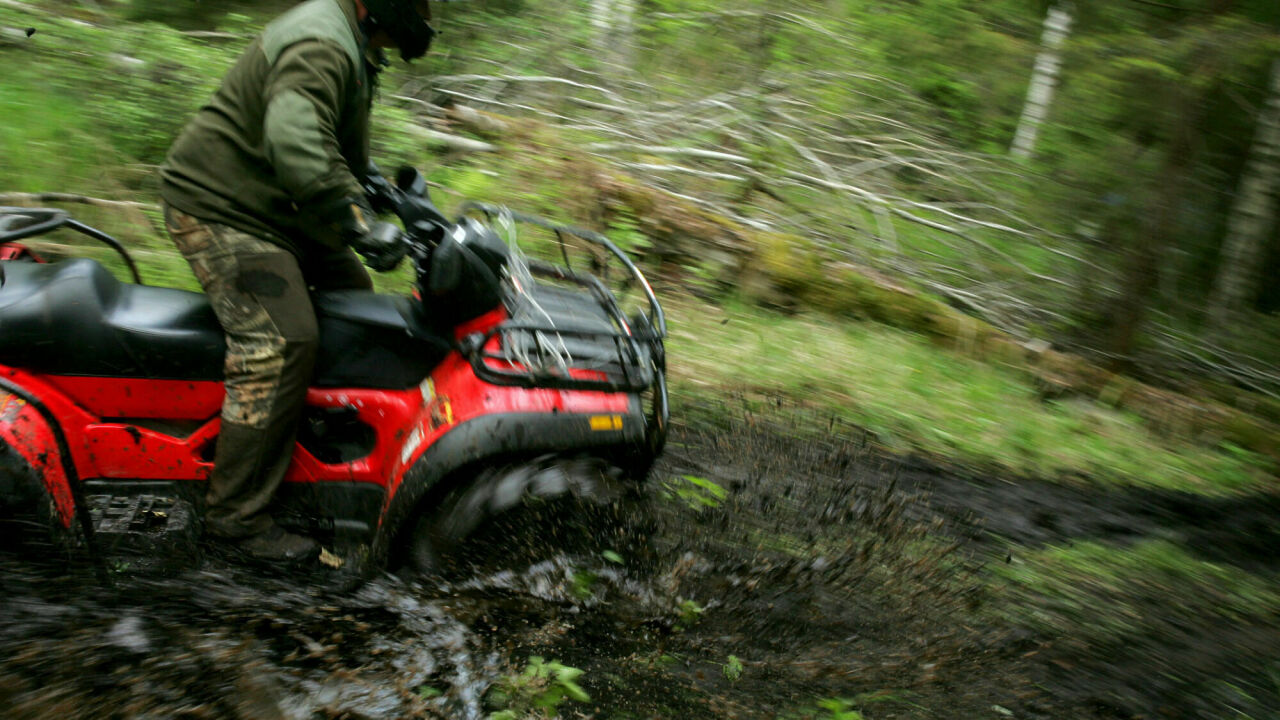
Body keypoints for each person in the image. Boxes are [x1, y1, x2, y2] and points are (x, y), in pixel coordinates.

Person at [158, 0, 440, 561]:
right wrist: (358, 223)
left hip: (278, 212)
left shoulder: (351, 37)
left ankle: (304, 457)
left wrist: (376, 188)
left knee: (355, 308)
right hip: (222, 210)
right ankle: (234, 520)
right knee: (281, 341)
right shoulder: (323, 42)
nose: (425, 14)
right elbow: (296, 145)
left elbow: (326, 134)